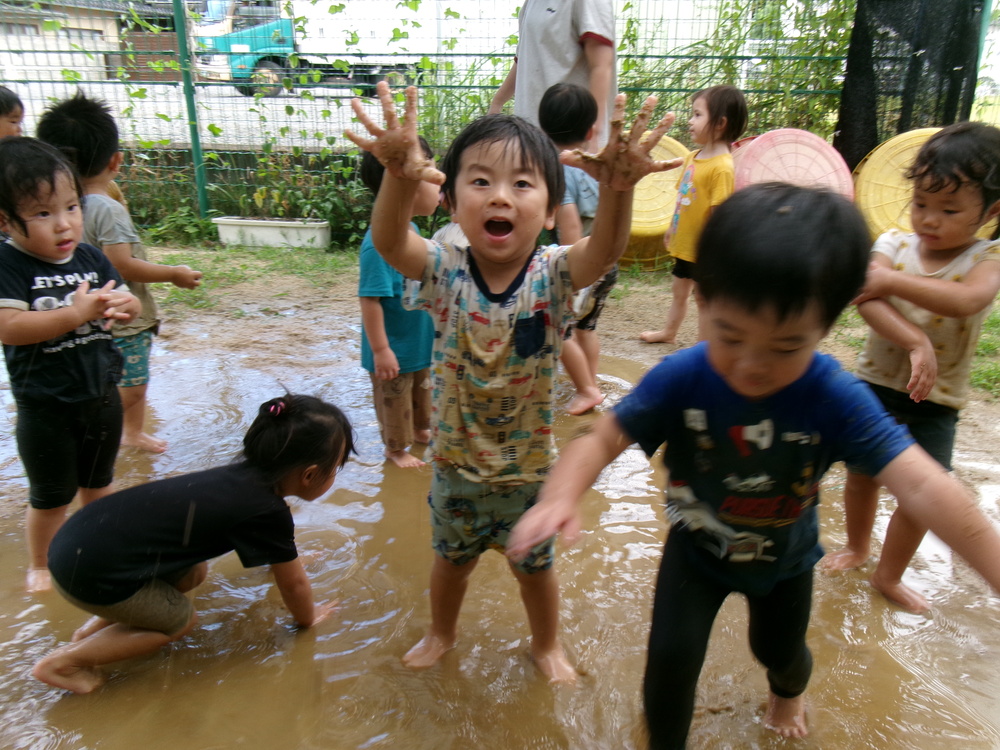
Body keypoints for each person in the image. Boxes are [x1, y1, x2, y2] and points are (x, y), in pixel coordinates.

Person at [507, 183, 1000, 746]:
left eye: (786, 347)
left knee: (781, 653)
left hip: (786, 562)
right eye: (729, 335)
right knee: (668, 661)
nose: (751, 366)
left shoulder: (835, 396)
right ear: (703, 302)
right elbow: (601, 438)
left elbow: (926, 486)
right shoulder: (684, 376)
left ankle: (787, 692)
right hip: (696, 550)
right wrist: (559, 495)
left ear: (826, 327)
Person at [345, 83, 678, 683]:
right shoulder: (444, 269)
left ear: (550, 211)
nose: (501, 195)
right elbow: (392, 241)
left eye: (522, 184)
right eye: (480, 181)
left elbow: (602, 254)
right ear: (450, 202)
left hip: (528, 472)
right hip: (453, 467)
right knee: (450, 563)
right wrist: (397, 175)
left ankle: (546, 645)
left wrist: (618, 190)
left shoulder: (553, 273)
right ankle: (441, 632)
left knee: (536, 570)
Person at [31, 393, 354, 695]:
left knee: (192, 573)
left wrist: (289, 561)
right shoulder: (267, 510)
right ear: (310, 475)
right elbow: (294, 586)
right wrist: (308, 616)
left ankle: (90, 635)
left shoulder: (237, 478)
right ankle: (65, 664)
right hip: (90, 575)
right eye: (335, 469)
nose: (334, 476)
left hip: (76, 545)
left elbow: (279, 557)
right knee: (180, 620)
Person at [820, 122, 1000, 613]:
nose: (930, 219)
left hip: (936, 400)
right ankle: (858, 547)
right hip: (878, 385)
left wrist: (889, 283)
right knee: (861, 475)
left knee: (924, 494)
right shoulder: (893, 247)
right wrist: (915, 339)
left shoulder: (986, 258)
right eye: (921, 203)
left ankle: (889, 574)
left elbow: (967, 299)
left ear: (991, 211)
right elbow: (866, 299)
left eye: (949, 209)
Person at [0, 137, 140, 593]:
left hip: (100, 396)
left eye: (71, 207)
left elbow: (125, 298)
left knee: (99, 484)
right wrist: (76, 314)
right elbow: (11, 327)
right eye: (43, 214)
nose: (64, 224)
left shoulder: (90, 258)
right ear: (5, 220)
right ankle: (41, 563)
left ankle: (100, 544)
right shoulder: (9, 265)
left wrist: (126, 306)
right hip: (45, 408)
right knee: (51, 497)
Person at [36, 91, 203, 454]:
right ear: (115, 160)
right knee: (133, 384)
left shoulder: (51, 210)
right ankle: (111, 427)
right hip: (125, 317)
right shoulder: (106, 209)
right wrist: (174, 273)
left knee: (115, 377)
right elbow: (123, 264)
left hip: (85, 315)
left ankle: (132, 432)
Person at [640, 85, 748, 345]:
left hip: (705, 252)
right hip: (684, 244)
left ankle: (704, 346)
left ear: (720, 123)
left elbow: (719, 215)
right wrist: (671, 228)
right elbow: (682, 200)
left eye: (697, 115)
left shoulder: (722, 167)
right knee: (679, 292)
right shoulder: (692, 157)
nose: (690, 120)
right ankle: (669, 333)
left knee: (703, 299)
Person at [357, 142, 438, 468]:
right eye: (430, 170)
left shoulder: (412, 231)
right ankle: (395, 449)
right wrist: (380, 350)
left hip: (416, 343)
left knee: (421, 395)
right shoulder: (378, 243)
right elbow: (370, 299)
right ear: (404, 184)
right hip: (393, 351)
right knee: (394, 401)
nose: (439, 178)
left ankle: (420, 430)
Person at [538, 82, 613, 415]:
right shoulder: (594, 165)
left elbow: (568, 224)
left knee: (560, 329)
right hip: (607, 263)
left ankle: (586, 389)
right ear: (591, 129)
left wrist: (570, 278)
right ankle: (589, 381)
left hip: (578, 264)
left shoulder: (560, 170)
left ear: (542, 129)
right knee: (586, 327)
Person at [488, 0, 616, 151]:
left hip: (573, 142)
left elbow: (601, 65)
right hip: (533, 140)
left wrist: (594, 132)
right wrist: (496, 104)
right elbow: (525, 58)